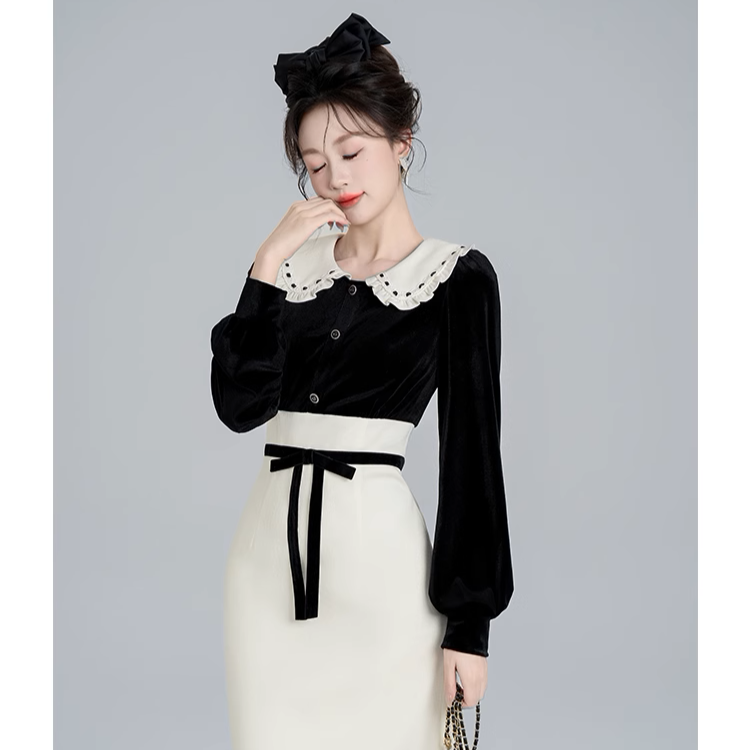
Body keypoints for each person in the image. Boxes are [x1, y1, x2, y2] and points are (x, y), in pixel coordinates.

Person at [209, 12, 514, 750]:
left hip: (381, 576)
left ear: (401, 143)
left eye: (351, 152)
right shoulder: (289, 271)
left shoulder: (455, 278)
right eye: (316, 163)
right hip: (263, 571)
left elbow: (472, 459)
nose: (336, 178)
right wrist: (264, 265)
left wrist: (468, 628)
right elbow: (240, 407)